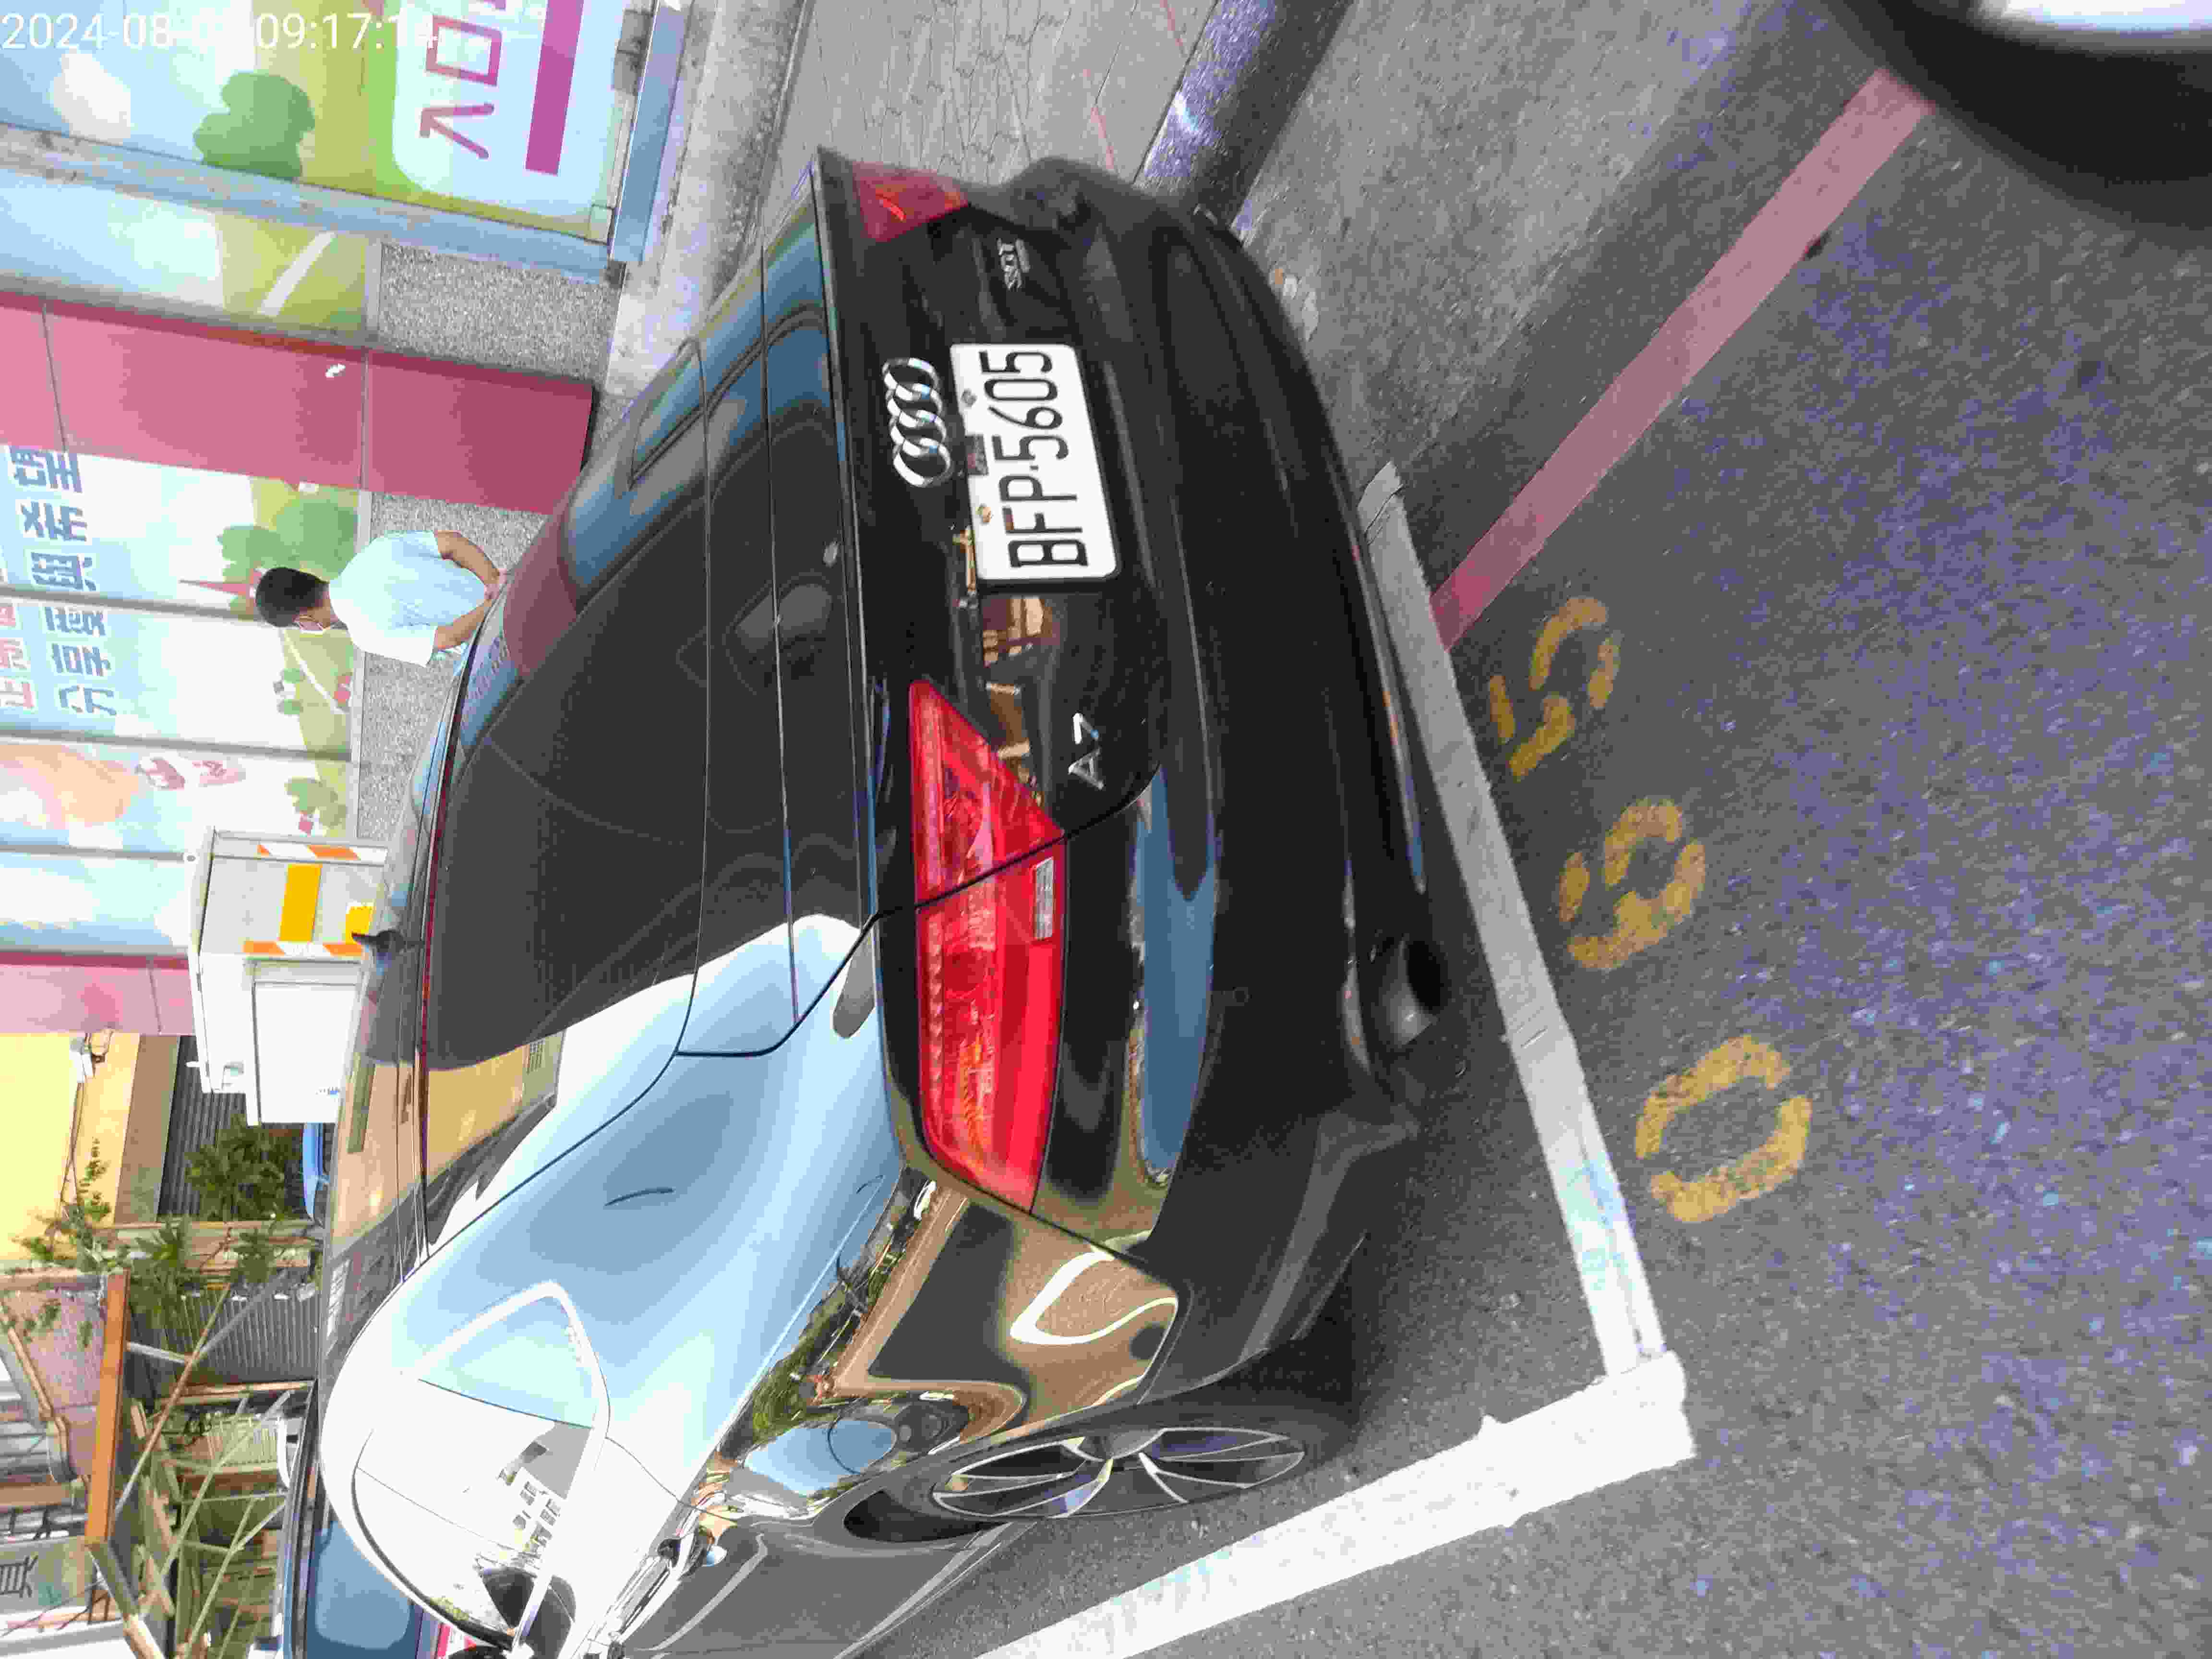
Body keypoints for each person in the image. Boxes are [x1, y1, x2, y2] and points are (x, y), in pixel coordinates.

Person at [253, 530, 505, 668]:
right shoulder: (375, 549)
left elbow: (448, 638)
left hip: (498, 638)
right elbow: (453, 543)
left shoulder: (365, 635)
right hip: (511, 588)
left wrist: (490, 606)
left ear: (304, 620)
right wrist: (496, 584)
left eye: (299, 627)